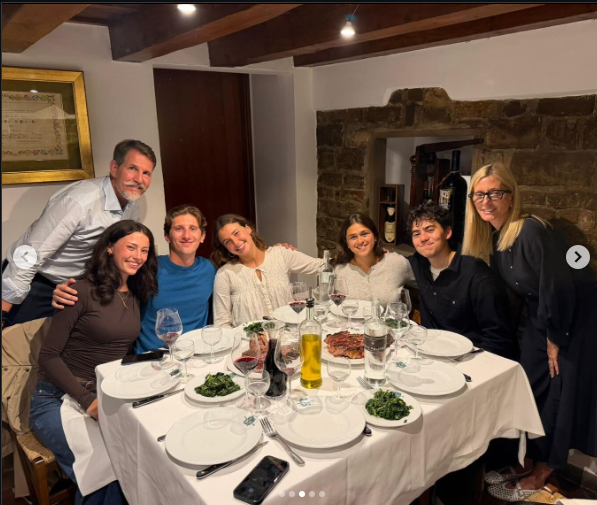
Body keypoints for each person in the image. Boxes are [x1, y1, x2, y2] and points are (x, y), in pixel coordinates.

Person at [462, 163, 597, 501]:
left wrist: (555, 339)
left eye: (495, 193)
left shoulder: (530, 231)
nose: (486, 201)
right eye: (479, 194)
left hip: (571, 320)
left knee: (558, 395)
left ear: (511, 196)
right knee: (533, 388)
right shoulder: (497, 236)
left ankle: (543, 472)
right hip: (542, 316)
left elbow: (557, 287)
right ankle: (528, 459)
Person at [30, 220, 159, 505]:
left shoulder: (136, 293)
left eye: (144, 250)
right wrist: (89, 402)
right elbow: (48, 356)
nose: (138, 256)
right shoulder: (79, 291)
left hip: (105, 392)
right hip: (58, 397)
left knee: (143, 454)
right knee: (106, 469)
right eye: (131, 247)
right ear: (110, 248)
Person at [2, 139, 156, 328]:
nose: (139, 179)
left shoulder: (132, 206)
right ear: (114, 168)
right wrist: (3, 311)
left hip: (73, 287)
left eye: (146, 173)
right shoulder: (78, 202)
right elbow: (30, 254)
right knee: (14, 342)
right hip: (34, 283)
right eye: (133, 169)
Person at [51, 205, 217, 353]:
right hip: (150, 357)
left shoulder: (210, 270)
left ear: (202, 236)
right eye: (179, 229)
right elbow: (105, 279)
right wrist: (67, 291)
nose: (187, 235)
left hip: (195, 355)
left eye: (193, 229)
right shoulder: (146, 268)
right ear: (167, 236)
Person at [407, 204, 516, 358]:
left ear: (447, 232)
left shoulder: (477, 275)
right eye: (416, 234)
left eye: (430, 230)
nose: (423, 238)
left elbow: (498, 337)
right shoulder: (418, 264)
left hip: (470, 359)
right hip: (430, 355)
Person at [212, 214, 326, 327]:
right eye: (227, 241)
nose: (236, 242)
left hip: (289, 335)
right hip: (250, 339)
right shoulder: (224, 275)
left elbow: (324, 267)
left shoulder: (281, 254)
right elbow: (222, 323)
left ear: (248, 229)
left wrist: (311, 297)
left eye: (236, 233)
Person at [330, 213, 415, 307]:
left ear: (375, 236)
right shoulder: (339, 270)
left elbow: (423, 283)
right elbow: (324, 300)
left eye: (364, 234)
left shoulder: (396, 263)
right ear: (347, 243)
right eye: (353, 237)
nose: (360, 241)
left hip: (388, 317)